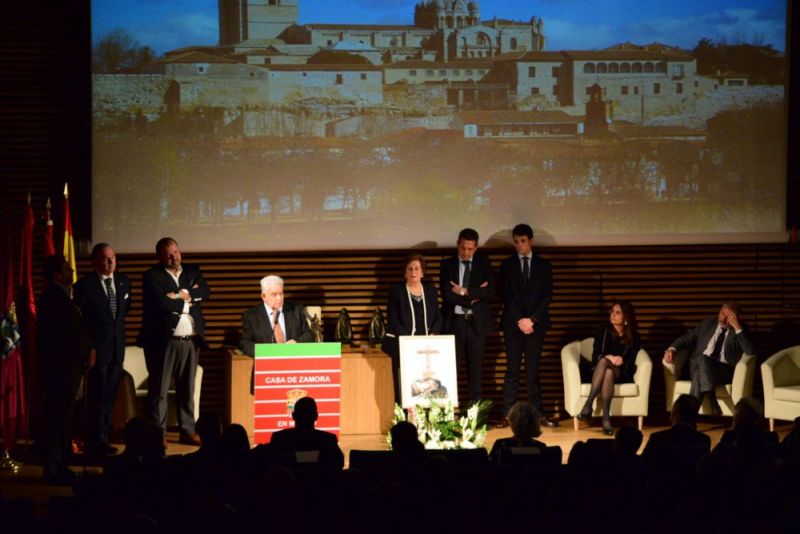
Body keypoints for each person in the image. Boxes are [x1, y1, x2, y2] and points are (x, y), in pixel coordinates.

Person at [137, 237, 210, 445]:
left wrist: (179, 295)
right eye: (169, 254)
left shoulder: (192, 271)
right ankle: (157, 434)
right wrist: (190, 299)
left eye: (176, 252)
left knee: (187, 389)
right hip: (163, 342)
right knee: (159, 390)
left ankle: (187, 430)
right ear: (160, 257)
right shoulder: (152, 276)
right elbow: (161, 304)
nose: (174, 257)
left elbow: (205, 292)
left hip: (191, 341)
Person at [36, 255, 94, 483]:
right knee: (58, 418)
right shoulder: (54, 298)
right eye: (68, 269)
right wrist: (86, 351)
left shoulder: (60, 296)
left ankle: (59, 465)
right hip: (61, 369)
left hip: (65, 368)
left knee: (62, 418)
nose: (72, 272)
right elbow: (69, 333)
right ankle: (54, 468)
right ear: (57, 275)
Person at [73, 242, 131, 456]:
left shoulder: (124, 283)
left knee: (109, 398)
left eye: (113, 257)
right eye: (106, 258)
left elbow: (122, 316)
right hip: (97, 352)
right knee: (96, 399)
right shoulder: (84, 286)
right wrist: (89, 348)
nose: (110, 262)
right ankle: (93, 442)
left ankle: (102, 439)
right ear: (95, 261)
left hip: (117, 351)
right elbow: (80, 321)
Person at [498, 224, 557, 428]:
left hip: (536, 325)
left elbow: (547, 296)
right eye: (516, 241)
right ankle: (507, 414)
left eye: (523, 241)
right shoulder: (506, 265)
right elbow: (506, 296)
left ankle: (537, 413)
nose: (519, 245)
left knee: (532, 370)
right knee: (512, 370)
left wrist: (531, 319)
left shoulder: (543, 265)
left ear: (531, 241)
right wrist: (520, 320)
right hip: (513, 324)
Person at [663, 302, 754, 415]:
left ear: (735, 317)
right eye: (721, 314)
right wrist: (672, 348)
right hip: (701, 365)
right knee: (702, 361)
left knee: (698, 371)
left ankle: (689, 416)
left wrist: (737, 327)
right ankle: (712, 401)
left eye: (728, 316)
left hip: (722, 371)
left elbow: (750, 351)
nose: (723, 318)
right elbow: (687, 338)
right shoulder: (707, 324)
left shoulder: (741, 330)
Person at [439, 228, 494, 406]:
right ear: (457, 244)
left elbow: (490, 292)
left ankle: (473, 416)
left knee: (476, 371)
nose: (466, 252)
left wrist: (464, 291)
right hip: (455, 323)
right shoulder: (447, 265)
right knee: (451, 369)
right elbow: (448, 295)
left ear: (476, 248)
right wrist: (474, 297)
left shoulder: (484, 264)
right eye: (463, 248)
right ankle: (447, 413)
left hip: (477, 324)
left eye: (470, 249)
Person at [382, 254, 443, 404]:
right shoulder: (397, 291)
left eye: (417, 269)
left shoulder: (430, 291)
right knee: (404, 384)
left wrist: (434, 333)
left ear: (422, 272)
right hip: (403, 345)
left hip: (426, 347)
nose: (413, 272)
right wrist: (409, 340)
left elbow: (438, 316)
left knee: (426, 384)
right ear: (405, 273)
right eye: (410, 269)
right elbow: (393, 320)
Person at [577, 301, 641, 435]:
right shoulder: (603, 331)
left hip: (622, 372)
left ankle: (589, 404)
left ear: (626, 318)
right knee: (607, 371)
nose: (613, 315)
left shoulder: (634, 337)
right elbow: (596, 355)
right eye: (612, 311)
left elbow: (631, 361)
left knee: (609, 367)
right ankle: (606, 418)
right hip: (600, 371)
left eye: (617, 313)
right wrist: (609, 358)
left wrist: (618, 361)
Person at [240, 275, 314, 355]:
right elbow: (245, 343)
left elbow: (309, 334)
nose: (279, 298)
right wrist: (267, 352)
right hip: (266, 364)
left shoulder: (296, 310)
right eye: (274, 295)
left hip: (294, 361)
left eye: (281, 294)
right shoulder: (251, 316)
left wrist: (296, 342)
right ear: (263, 296)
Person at [641, 394, 710, 477]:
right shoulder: (704, 440)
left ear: (674, 413)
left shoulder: (657, 438)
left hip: (662, 487)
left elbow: (643, 465)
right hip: (690, 488)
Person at [269, 396, 344, 471]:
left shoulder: (280, 438)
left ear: (293, 416)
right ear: (316, 416)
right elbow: (339, 463)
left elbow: (271, 464)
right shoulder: (328, 440)